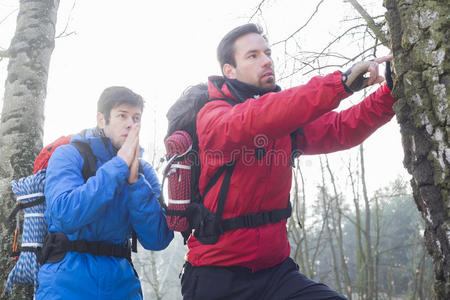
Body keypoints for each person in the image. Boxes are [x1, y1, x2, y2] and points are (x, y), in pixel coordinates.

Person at [180, 24, 397, 300]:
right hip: (216, 279)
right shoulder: (213, 117)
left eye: (267, 53)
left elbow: (341, 128)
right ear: (229, 71)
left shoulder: (282, 118)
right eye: (253, 55)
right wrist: (338, 84)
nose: (267, 60)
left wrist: (389, 92)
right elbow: (255, 119)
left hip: (276, 275)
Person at [36, 86, 174, 299]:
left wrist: (135, 182)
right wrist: (119, 166)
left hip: (122, 284)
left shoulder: (143, 171)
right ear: (102, 120)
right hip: (65, 283)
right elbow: (65, 214)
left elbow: (157, 238)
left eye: (136, 117)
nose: (131, 123)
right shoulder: (69, 155)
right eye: (122, 115)